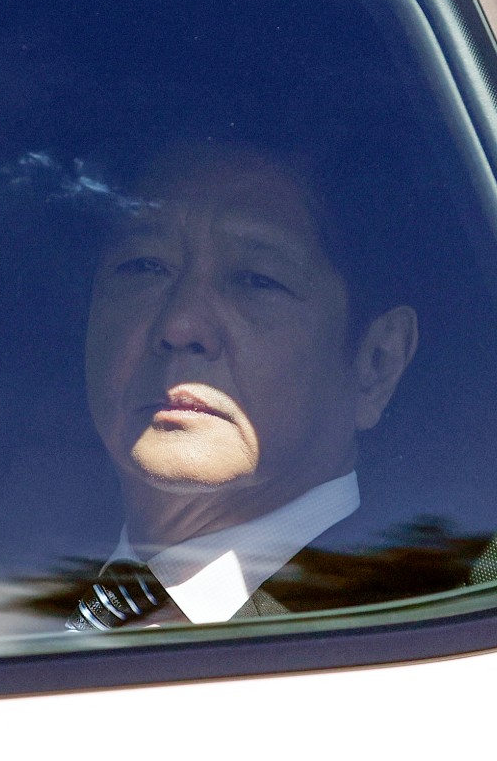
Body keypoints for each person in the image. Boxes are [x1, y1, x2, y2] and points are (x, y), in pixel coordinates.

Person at [66, 142, 420, 629]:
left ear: (375, 363)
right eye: (145, 266)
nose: (180, 324)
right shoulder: (5, 571)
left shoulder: (415, 635)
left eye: (254, 280)